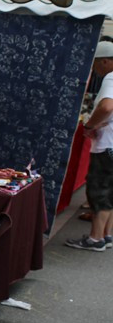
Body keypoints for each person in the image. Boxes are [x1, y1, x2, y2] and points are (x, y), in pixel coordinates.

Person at [65, 40, 113, 251]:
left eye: (95, 64)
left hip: (107, 145)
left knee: (99, 191)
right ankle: (107, 235)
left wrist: (90, 125)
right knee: (110, 191)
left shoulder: (111, 78)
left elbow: (106, 105)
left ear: (105, 61)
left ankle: (95, 239)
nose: (93, 69)